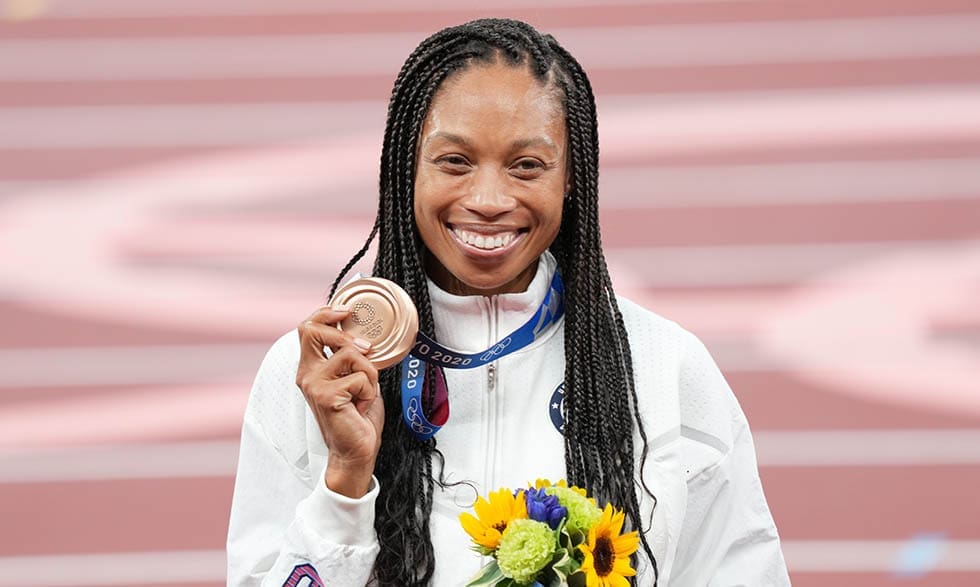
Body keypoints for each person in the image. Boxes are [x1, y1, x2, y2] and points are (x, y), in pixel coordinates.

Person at [227, 18, 789, 587]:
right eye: (455, 161)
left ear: (570, 177)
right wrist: (345, 481)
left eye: (527, 166)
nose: (489, 199)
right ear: (408, 167)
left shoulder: (664, 367)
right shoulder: (318, 377)